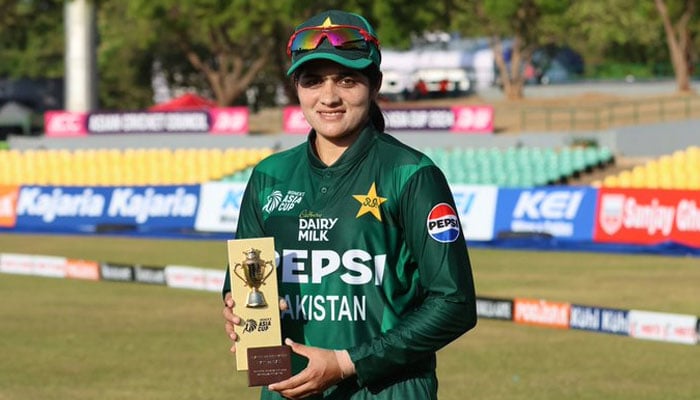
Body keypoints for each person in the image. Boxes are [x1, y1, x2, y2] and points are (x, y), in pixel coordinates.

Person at [222, 9, 476, 400]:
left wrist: (347, 361)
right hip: (289, 389)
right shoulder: (269, 176)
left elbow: (454, 303)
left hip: (387, 391)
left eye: (347, 80)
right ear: (297, 89)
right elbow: (244, 286)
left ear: (374, 85)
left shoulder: (411, 174)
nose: (328, 97)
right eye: (312, 81)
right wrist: (236, 311)